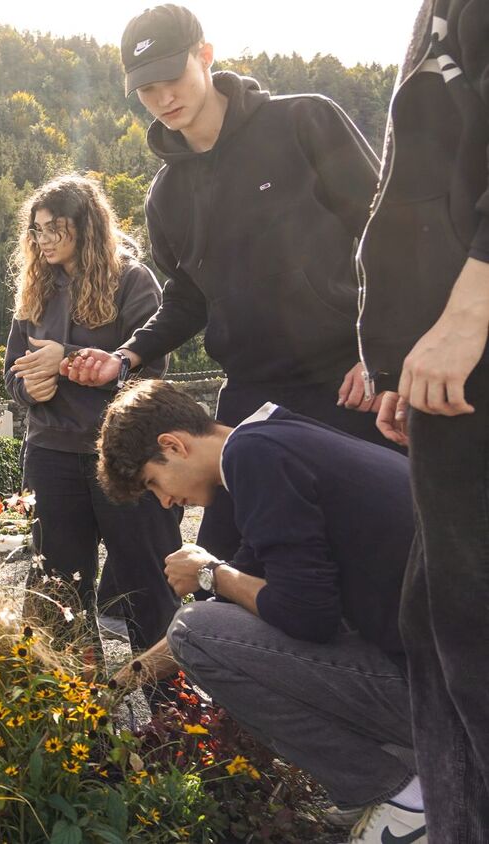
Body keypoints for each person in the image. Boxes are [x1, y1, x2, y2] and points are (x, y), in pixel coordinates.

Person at [65, 3, 390, 563]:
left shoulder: (304, 122)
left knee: (372, 549)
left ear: (206, 56)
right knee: (226, 564)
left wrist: (381, 350)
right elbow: (188, 298)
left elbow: (387, 235)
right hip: (253, 394)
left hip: (348, 381)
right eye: (146, 89)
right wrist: (125, 357)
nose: (163, 98)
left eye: (171, 77)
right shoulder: (166, 197)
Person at [100, 381, 424, 844]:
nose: (165, 501)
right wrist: (119, 684)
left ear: (173, 445)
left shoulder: (254, 458)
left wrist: (210, 573)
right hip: (448, 678)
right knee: (201, 629)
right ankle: (404, 780)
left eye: (153, 483)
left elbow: (305, 614)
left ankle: (403, 798)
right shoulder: (272, 440)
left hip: (446, 698)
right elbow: (235, 616)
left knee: (193, 628)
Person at [358, 1, 489, 836]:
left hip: (474, 348)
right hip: (444, 366)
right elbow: (409, 197)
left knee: (473, 637)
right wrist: (395, 357)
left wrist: (472, 308)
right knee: (437, 625)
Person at [3, 174, 182, 661]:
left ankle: (169, 702)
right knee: (57, 586)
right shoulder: (35, 289)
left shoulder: (132, 280)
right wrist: (29, 388)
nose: (43, 241)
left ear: (86, 227)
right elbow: (13, 371)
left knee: (146, 581)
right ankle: (74, 699)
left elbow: (150, 372)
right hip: (51, 454)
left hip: (122, 453)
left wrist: (65, 360)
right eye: (37, 230)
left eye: (54, 229)